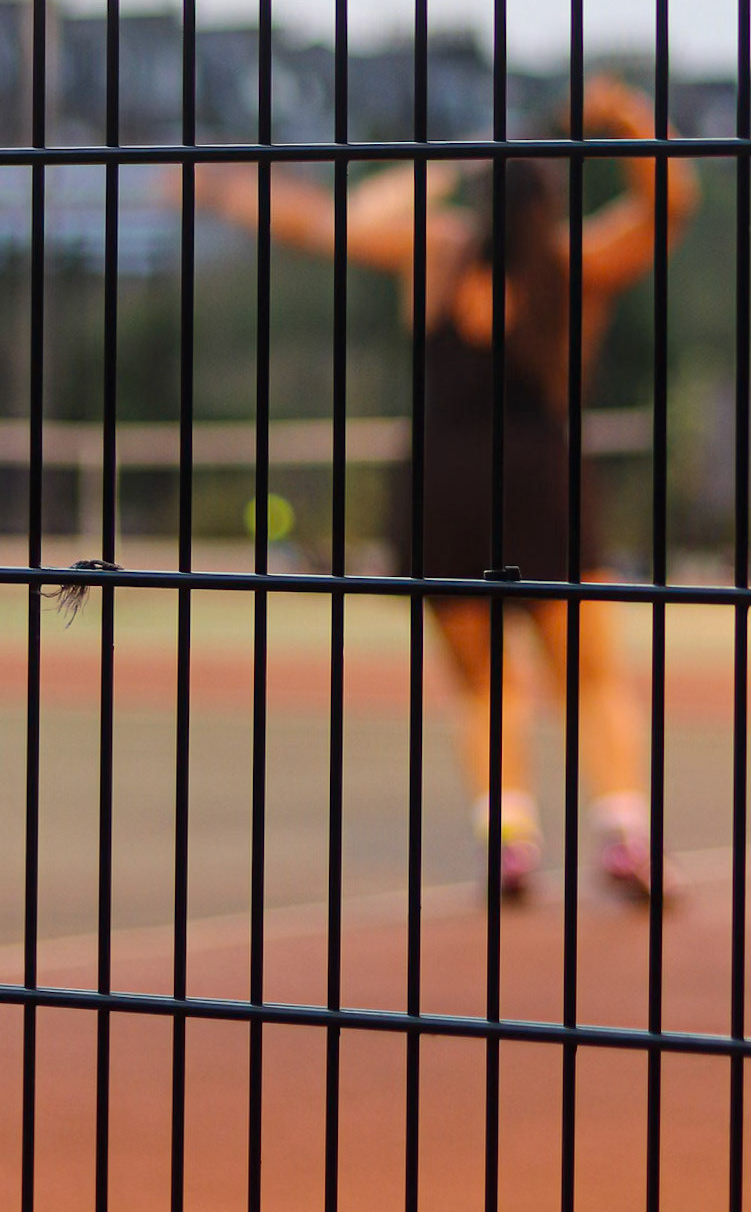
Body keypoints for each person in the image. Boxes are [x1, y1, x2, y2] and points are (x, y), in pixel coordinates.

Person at [197, 76, 698, 901]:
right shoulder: (575, 266)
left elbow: (320, 224)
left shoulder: (435, 254)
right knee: (591, 675)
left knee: (481, 680)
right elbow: (671, 206)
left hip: (444, 482)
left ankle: (508, 837)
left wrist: (227, 184)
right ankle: (624, 830)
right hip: (541, 480)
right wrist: (631, 120)